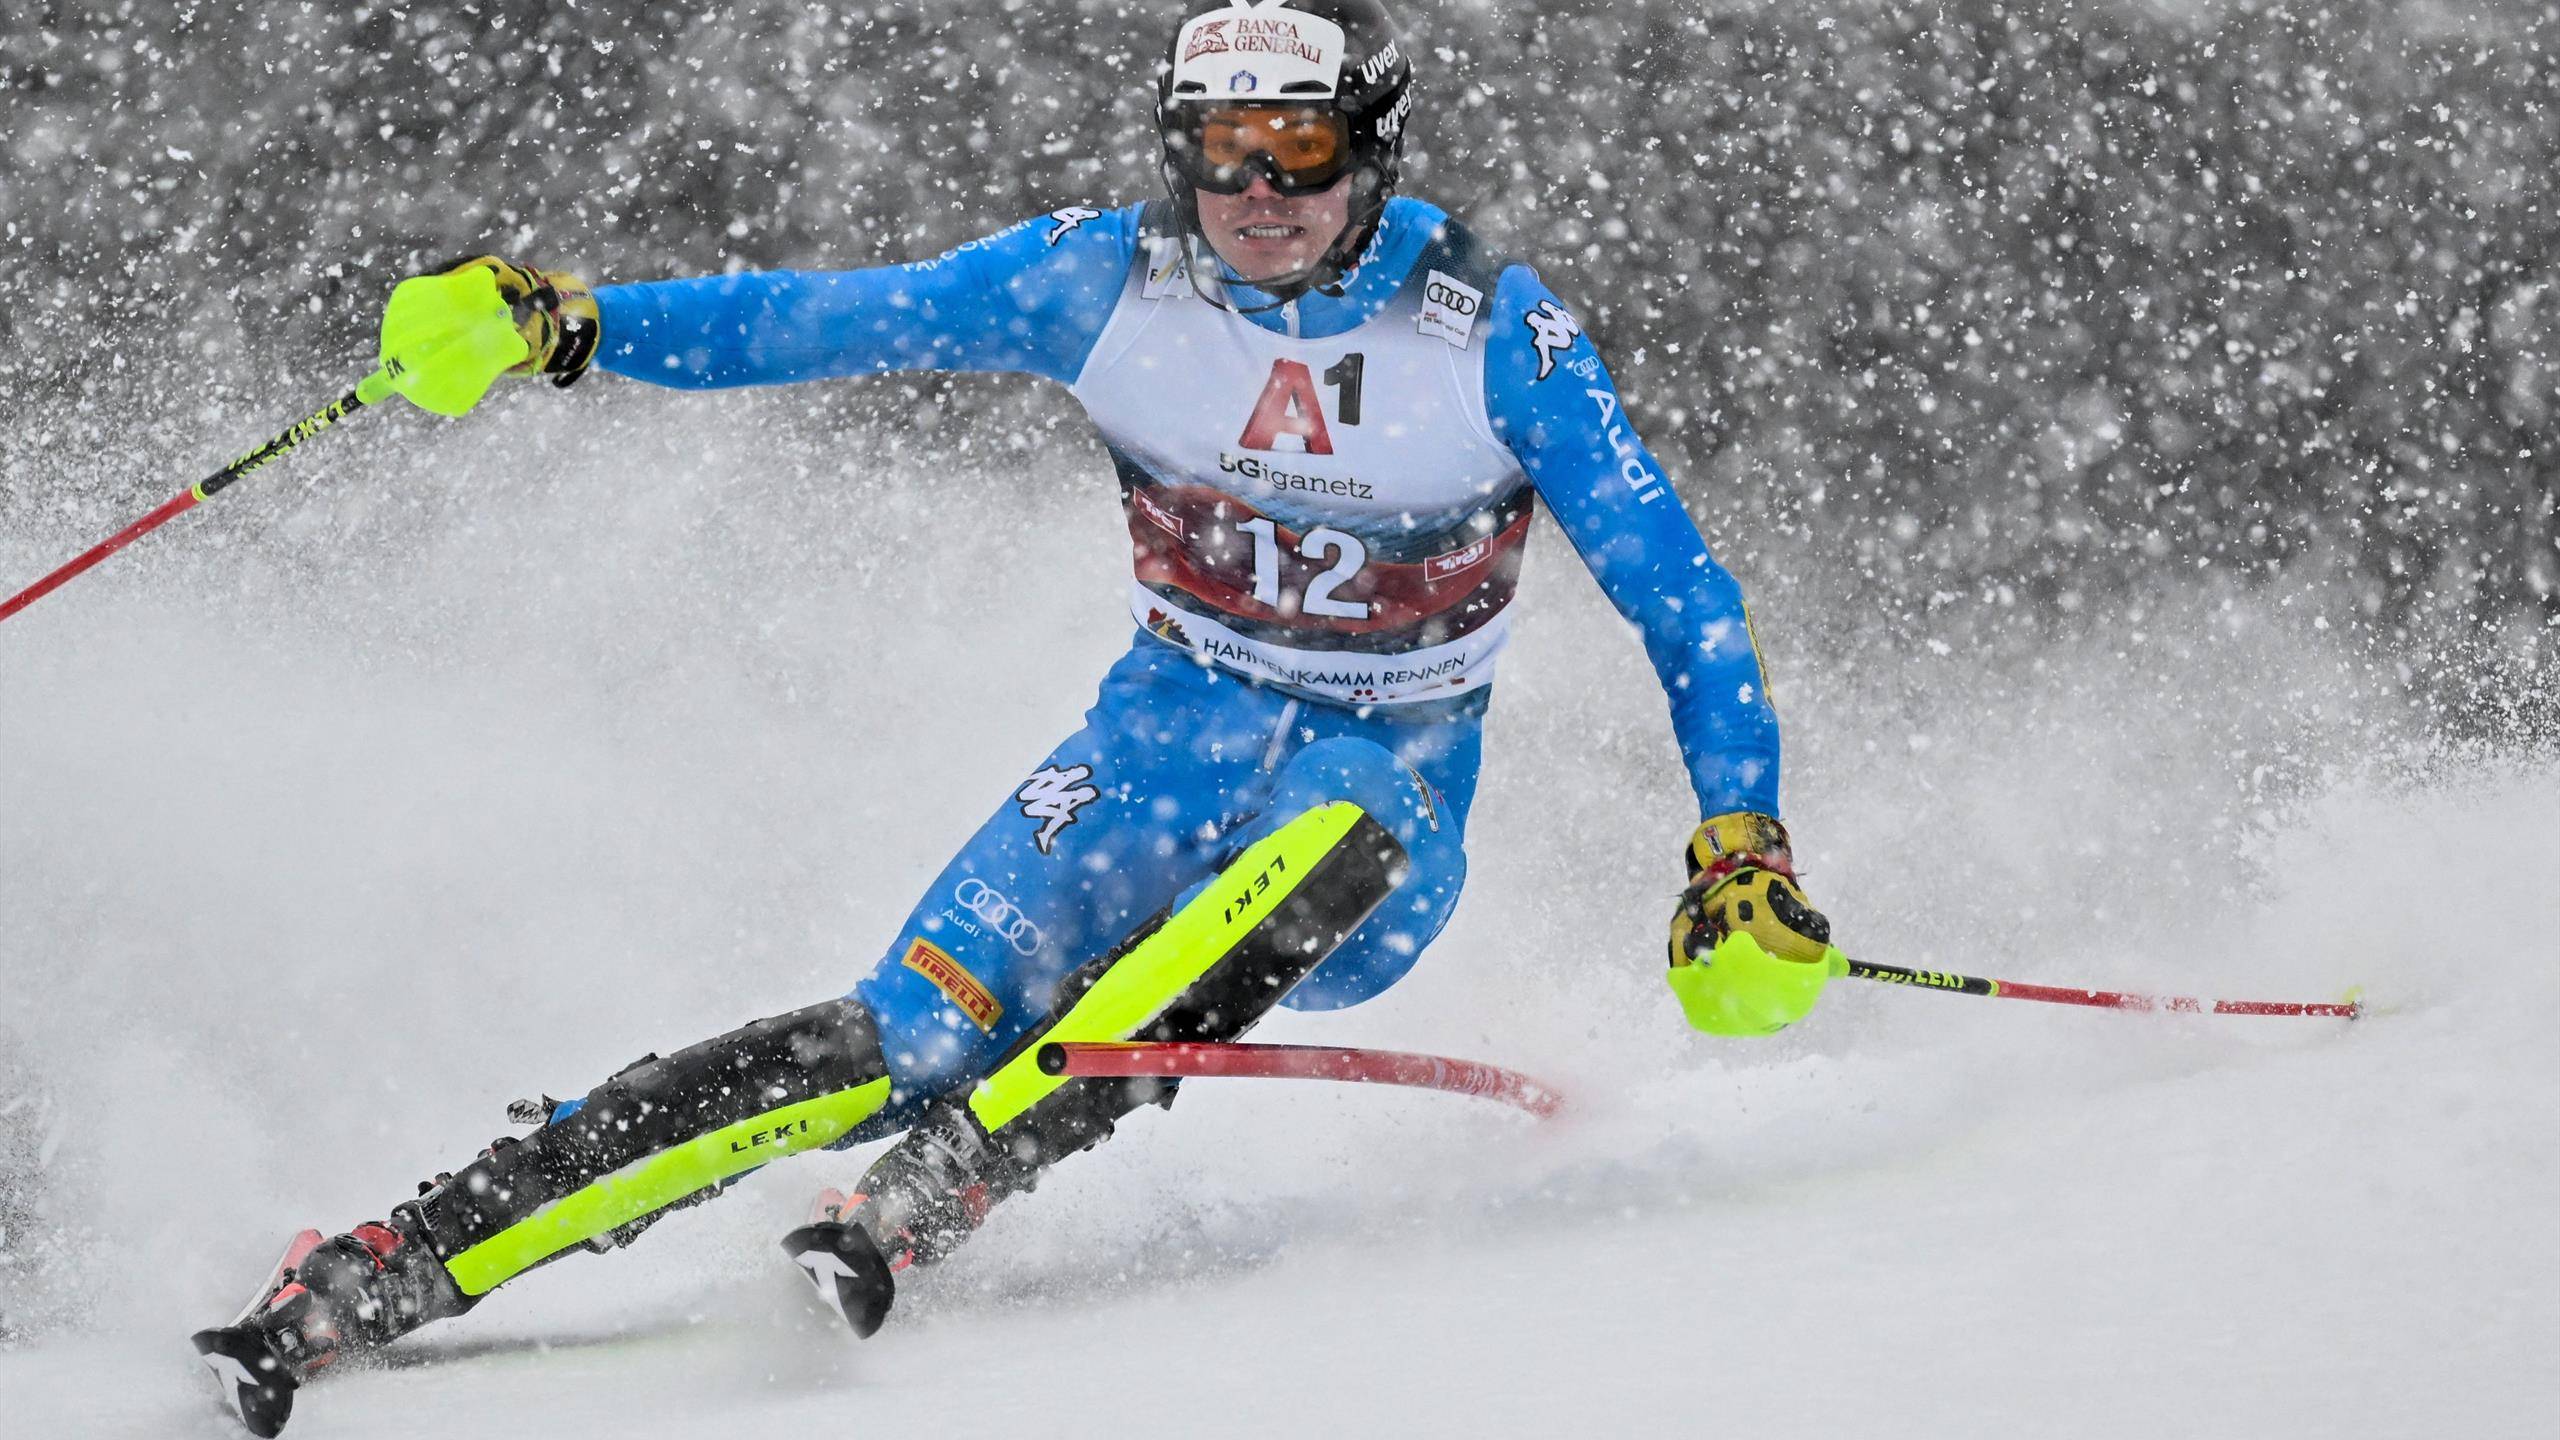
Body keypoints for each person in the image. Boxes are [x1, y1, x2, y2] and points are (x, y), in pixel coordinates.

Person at [191, 2, 1844, 1432]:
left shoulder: (1495, 335)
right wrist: (576, 321)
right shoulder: (1097, 279)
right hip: (1161, 735)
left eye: (1298, 147)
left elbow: (1683, 597)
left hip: (1382, 778)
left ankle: (950, 1182)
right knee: (897, 1036)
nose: (1256, 194)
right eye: (1218, 150)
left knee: (1328, 841)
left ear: (1374, 150)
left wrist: (1737, 841)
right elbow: (812, 321)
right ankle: (393, 1264)